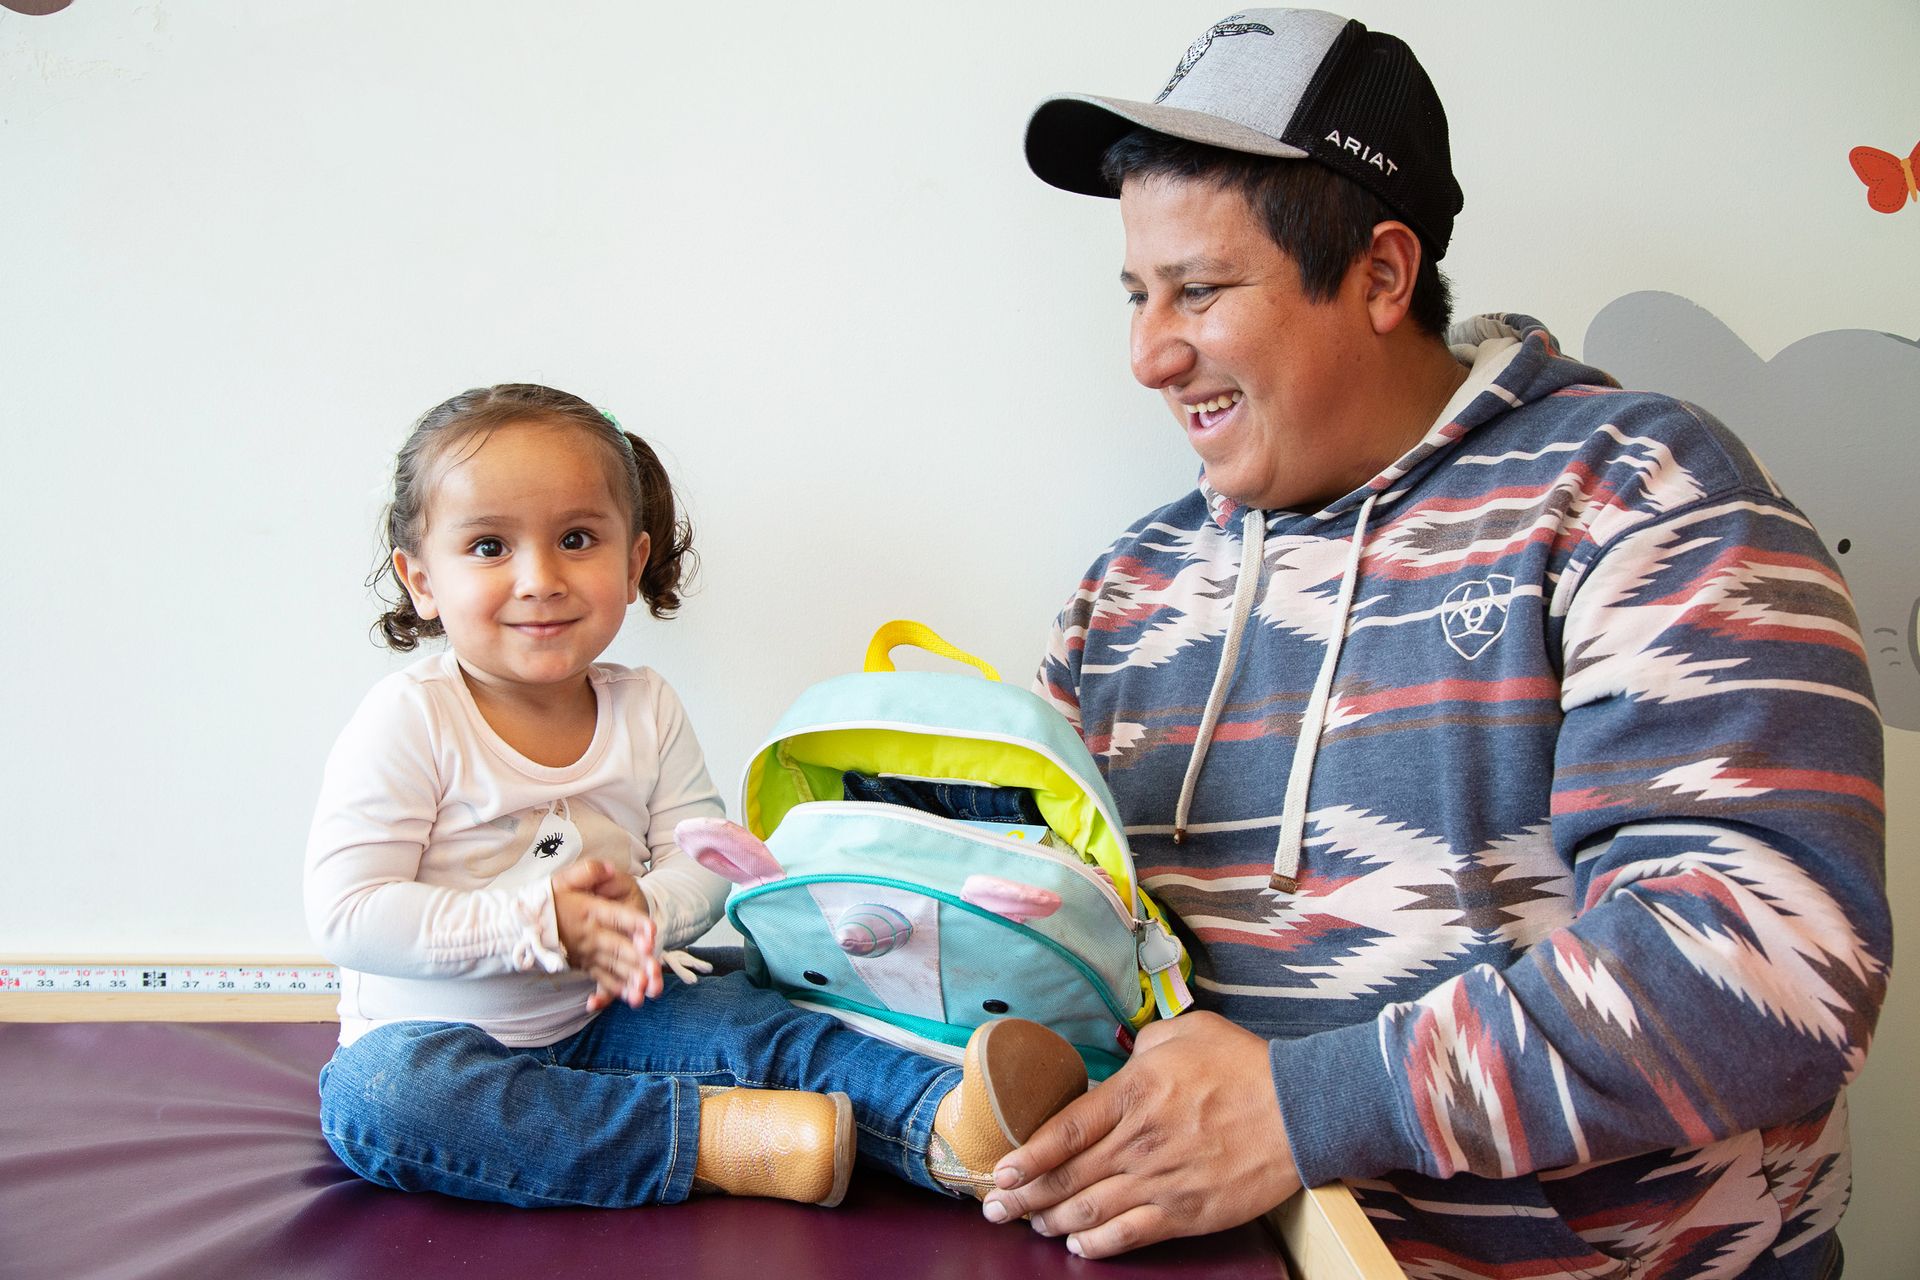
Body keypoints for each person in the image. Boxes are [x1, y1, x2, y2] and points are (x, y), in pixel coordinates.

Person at [979, 11, 1890, 1277]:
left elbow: (1769, 963)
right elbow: (1059, 937)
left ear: (1382, 274)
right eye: (1137, 292)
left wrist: (1305, 1107)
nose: (1148, 354)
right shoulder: (1123, 591)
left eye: (1200, 288)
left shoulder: (1640, 494)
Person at [304, 383, 1086, 1210]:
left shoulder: (645, 704)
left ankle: (952, 1128)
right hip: (444, 1045)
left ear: (633, 562)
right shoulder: (412, 717)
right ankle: (724, 1141)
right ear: (422, 580)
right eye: (490, 547)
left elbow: (704, 861)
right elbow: (349, 913)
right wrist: (540, 925)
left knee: (768, 1008)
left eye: (575, 539)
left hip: (613, 1012)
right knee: (376, 1099)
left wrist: (634, 917)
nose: (539, 579)